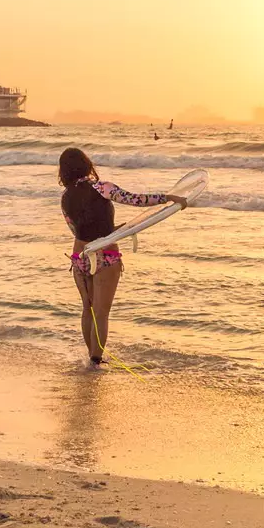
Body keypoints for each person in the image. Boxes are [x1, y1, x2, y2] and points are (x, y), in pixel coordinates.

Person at [59, 148, 186, 367]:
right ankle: (96, 361)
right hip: (106, 254)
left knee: (87, 308)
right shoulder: (102, 187)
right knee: (101, 311)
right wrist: (168, 198)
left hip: (80, 256)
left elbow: (77, 229)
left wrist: (113, 228)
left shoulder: (65, 198)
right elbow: (135, 199)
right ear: (86, 164)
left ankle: (90, 359)